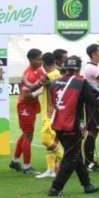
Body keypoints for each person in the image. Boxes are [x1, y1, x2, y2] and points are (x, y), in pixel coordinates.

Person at [45, 56, 99, 197]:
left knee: (75, 154)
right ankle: (55, 188)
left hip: (57, 124)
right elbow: (93, 101)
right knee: (71, 157)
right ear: (78, 68)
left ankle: (87, 184)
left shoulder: (54, 83)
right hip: (72, 125)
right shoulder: (80, 82)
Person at [11, 48, 44, 174]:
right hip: (25, 106)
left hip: (31, 106)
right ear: (31, 60)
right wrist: (40, 91)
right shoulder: (28, 74)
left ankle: (14, 161)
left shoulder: (38, 70)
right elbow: (26, 96)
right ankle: (26, 166)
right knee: (28, 135)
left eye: (41, 59)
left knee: (26, 134)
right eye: (38, 59)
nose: (41, 61)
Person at [33, 52, 63, 180]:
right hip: (55, 111)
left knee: (45, 139)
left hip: (50, 112)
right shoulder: (57, 73)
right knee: (52, 141)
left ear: (44, 63)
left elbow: (33, 87)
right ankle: (51, 170)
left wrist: (26, 86)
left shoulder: (49, 76)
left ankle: (65, 156)